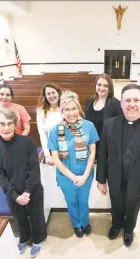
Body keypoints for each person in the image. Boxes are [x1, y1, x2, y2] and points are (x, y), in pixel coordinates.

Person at [96, 84, 140, 247]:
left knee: (133, 208)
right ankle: (116, 225)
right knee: (116, 204)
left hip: (139, 180)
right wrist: (100, 180)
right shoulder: (109, 124)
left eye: (136, 100)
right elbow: (103, 154)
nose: (132, 104)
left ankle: (128, 230)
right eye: (127, 100)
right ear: (121, 103)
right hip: (115, 177)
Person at [0, 108, 47, 258]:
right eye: (2, 124)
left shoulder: (28, 142)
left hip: (32, 189)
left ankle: (38, 239)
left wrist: (27, 192)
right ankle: (24, 237)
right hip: (12, 192)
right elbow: (0, 176)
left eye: (10, 123)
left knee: (37, 216)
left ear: (15, 125)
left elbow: (34, 169)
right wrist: (15, 196)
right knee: (19, 218)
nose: (6, 128)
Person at [47, 91, 99, 238]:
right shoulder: (55, 131)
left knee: (83, 201)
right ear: (62, 111)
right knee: (71, 202)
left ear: (79, 108)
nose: (71, 113)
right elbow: (56, 159)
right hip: (66, 176)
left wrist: (85, 176)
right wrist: (73, 177)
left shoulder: (89, 126)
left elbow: (92, 153)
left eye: (74, 108)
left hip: (85, 173)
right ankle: (76, 224)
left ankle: (85, 222)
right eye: (67, 109)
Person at [85, 74, 123, 160]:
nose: (101, 88)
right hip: (90, 144)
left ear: (110, 88)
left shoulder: (115, 104)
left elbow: (119, 128)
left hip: (106, 146)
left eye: (105, 86)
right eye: (99, 85)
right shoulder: (90, 100)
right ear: (95, 85)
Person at [37, 82, 63, 166]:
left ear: (58, 93)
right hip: (52, 149)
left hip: (68, 150)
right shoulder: (41, 111)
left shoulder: (65, 107)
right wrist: (47, 154)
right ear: (45, 96)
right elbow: (42, 134)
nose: (51, 96)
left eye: (53, 92)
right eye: (48, 94)